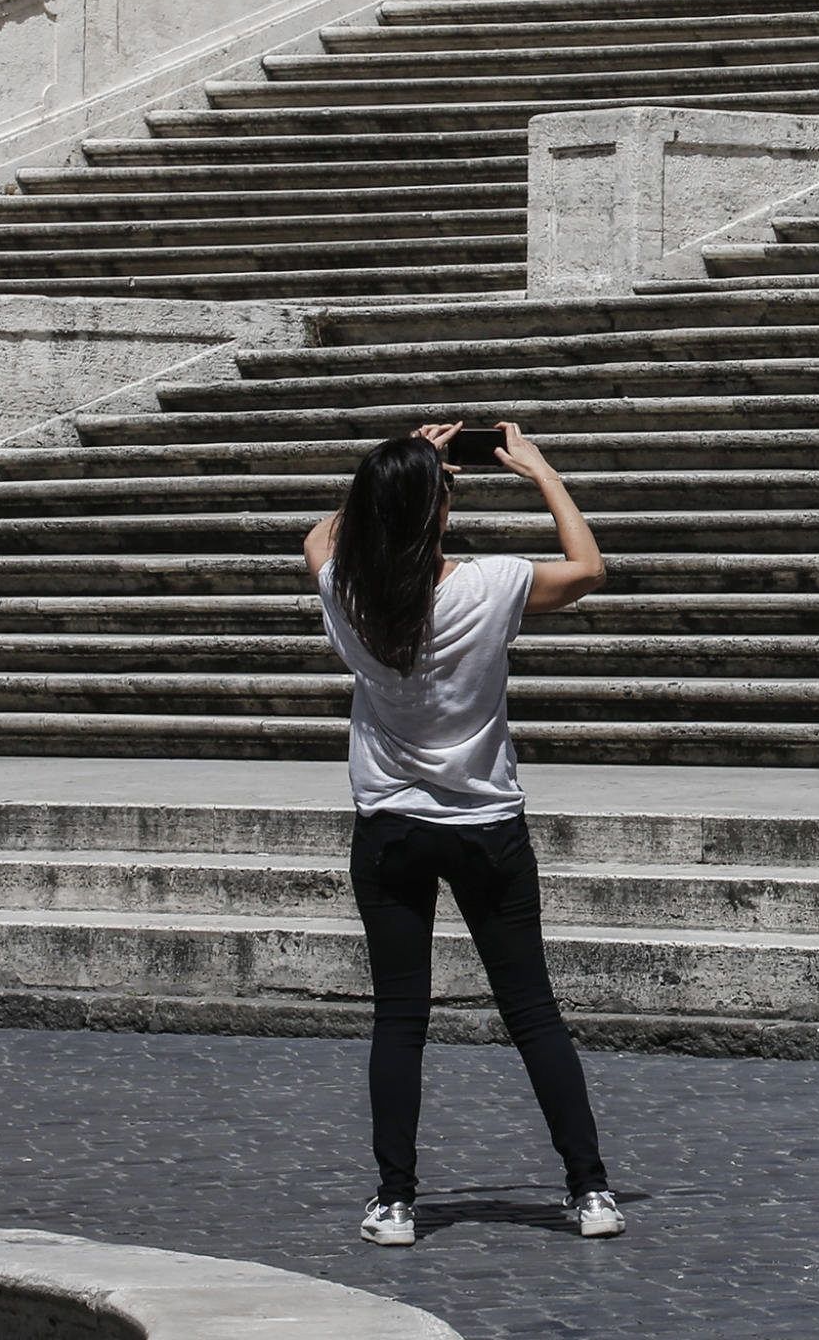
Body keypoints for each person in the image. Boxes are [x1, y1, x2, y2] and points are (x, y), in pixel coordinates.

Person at [302, 421, 622, 1248]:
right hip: (485, 823)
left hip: (391, 827)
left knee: (398, 1020)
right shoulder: (489, 585)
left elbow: (319, 534)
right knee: (533, 1013)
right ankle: (589, 1191)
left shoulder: (346, 588)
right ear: (440, 515)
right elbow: (587, 567)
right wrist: (540, 471)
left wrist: (397, 465)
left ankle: (396, 1200)